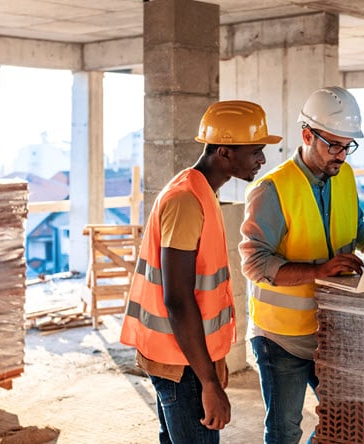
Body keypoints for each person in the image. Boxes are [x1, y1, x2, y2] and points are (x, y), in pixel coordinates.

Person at [120, 100, 281, 444]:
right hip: (183, 363)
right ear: (224, 152)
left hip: (187, 355)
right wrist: (208, 382)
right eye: (255, 151)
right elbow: (177, 299)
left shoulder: (199, 192)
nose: (262, 160)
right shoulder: (186, 201)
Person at [239, 86, 364, 444]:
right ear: (307, 135)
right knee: (285, 431)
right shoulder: (272, 190)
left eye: (348, 146)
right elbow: (255, 263)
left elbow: (356, 228)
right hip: (281, 338)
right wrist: (319, 271)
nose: (342, 156)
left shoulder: (343, 176)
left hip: (332, 329)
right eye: (334, 145)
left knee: (345, 419)